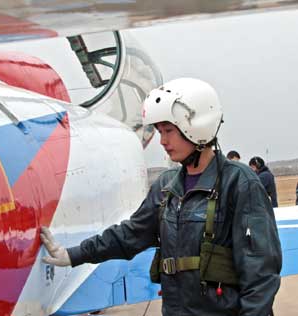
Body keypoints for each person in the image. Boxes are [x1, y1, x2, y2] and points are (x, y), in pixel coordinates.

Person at [40, 78, 281, 316]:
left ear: (197, 127)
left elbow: (260, 274)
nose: (163, 141)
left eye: (169, 131)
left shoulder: (239, 183)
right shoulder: (167, 186)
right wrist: (73, 254)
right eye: (159, 132)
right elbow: (130, 235)